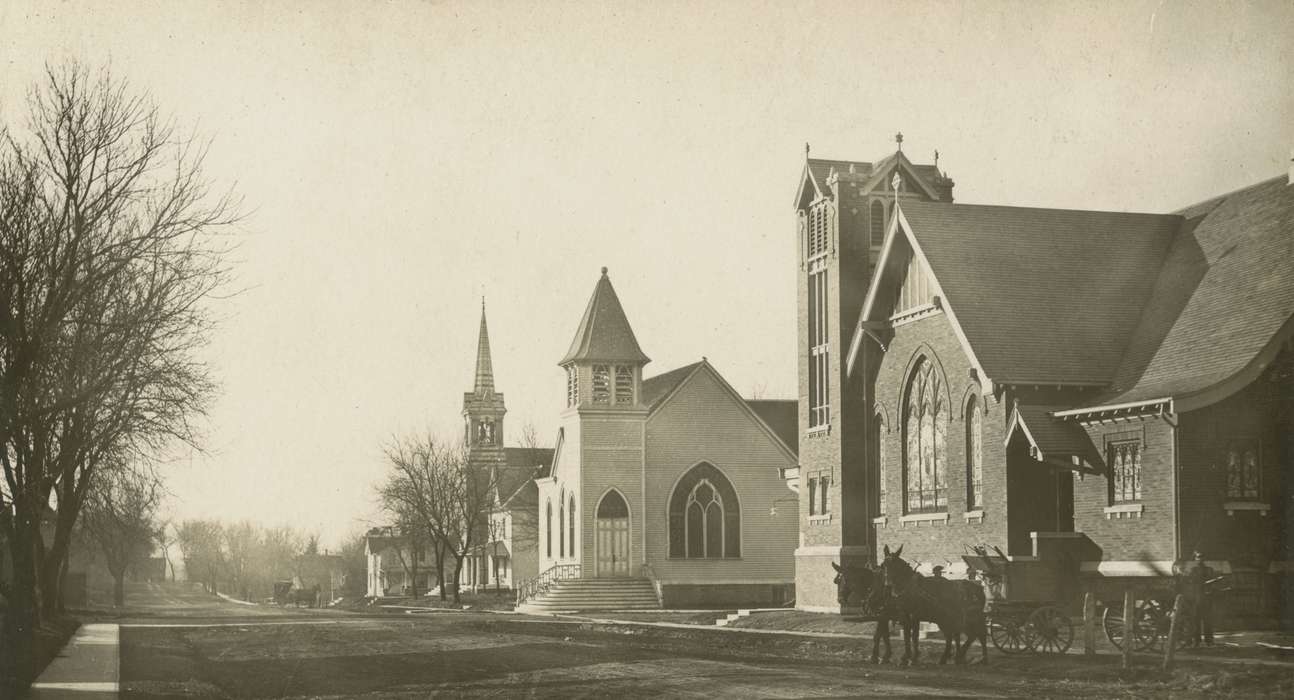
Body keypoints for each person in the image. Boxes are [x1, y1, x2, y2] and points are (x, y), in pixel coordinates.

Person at [1183, 550, 1215, 647]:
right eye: (1198, 557)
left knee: (1207, 620)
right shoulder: (1193, 570)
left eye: (1201, 557)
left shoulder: (1209, 570)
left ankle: (1209, 640)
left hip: (1206, 597)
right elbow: (1190, 583)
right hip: (1196, 598)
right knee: (1196, 619)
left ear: (1204, 559)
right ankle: (1197, 640)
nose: (1200, 559)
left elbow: (1212, 582)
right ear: (1195, 559)